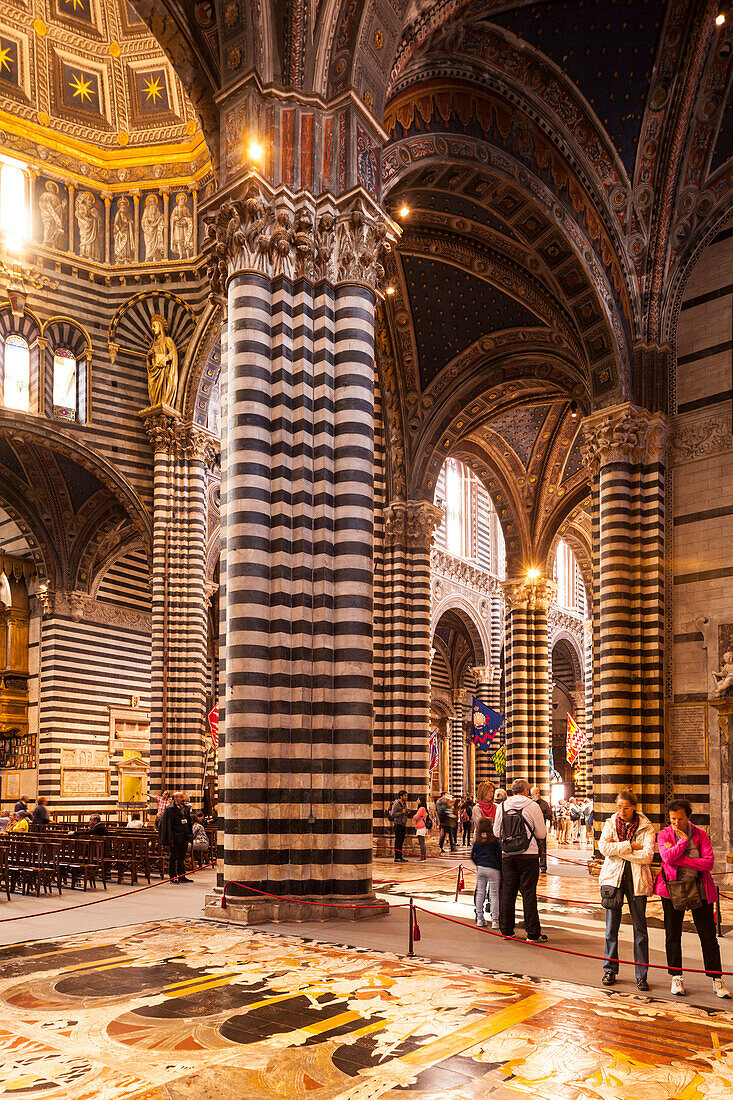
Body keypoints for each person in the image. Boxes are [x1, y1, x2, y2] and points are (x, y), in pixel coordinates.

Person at [656, 797, 730, 999]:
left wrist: (681, 858)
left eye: (680, 819)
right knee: (673, 935)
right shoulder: (664, 834)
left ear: (688, 817)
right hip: (672, 890)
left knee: (707, 936)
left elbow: (708, 863)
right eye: (672, 819)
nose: (676, 823)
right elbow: (667, 858)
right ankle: (676, 976)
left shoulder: (701, 834)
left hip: (700, 889)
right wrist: (683, 842)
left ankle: (717, 979)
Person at [599, 789, 655, 991]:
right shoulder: (610, 823)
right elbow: (604, 848)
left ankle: (641, 975)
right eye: (618, 807)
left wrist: (620, 849)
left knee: (640, 929)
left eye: (626, 808)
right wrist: (631, 846)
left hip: (637, 879)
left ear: (634, 808)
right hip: (614, 879)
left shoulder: (647, 827)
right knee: (611, 928)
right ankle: (610, 970)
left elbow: (648, 856)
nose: (622, 811)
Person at [495, 778, 548, 942]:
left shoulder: (502, 806)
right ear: (526, 790)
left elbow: (497, 832)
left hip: (508, 855)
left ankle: (507, 930)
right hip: (529, 855)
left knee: (508, 892)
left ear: (512, 790)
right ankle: (532, 933)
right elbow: (541, 833)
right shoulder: (533, 806)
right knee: (529, 894)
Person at [470, 817, 502, 928]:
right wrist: (498, 866)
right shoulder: (494, 841)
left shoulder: (478, 841)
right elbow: (499, 855)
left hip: (481, 868)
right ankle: (495, 921)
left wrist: (478, 863)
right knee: (494, 894)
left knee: (480, 893)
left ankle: (479, 918)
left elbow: (472, 855)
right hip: (493, 868)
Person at [159, 791, 194, 882]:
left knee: (182, 857)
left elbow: (189, 822)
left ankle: (182, 876)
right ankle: (173, 877)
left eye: (183, 797)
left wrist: (190, 835)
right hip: (174, 837)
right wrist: (168, 838)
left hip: (184, 836)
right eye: (181, 797)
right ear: (175, 799)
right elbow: (167, 825)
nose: (183, 799)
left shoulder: (186, 808)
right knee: (173, 857)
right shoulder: (169, 809)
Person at [531, 786, 552, 872]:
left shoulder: (544, 803)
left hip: (541, 827)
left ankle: (543, 866)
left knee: (542, 846)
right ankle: (534, 865)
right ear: (531, 794)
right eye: (536, 793)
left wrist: (540, 815)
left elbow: (550, 816)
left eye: (538, 792)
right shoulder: (529, 803)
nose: (538, 794)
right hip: (531, 829)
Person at [389, 790, 411, 863]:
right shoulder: (397, 804)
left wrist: (407, 812)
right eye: (405, 796)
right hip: (398, 824)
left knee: (401, 841)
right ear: (401, 796)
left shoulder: (404, 804)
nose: (406, 797)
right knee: (398, 841)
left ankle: (400, 857)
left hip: (403, 824)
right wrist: (402, 812)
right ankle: (396, 857)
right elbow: (392, 814)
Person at [413, 796, 429, 861]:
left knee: (421, 843)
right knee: (422, 842)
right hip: (422, 827)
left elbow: (416, 817)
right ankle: (423, 857)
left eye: (418, 800)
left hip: (421, 827)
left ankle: (423, 858)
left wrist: (414, 816)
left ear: (421, 801)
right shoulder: (424, 808)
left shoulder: (421, 808)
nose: (417, 801)